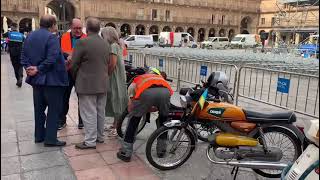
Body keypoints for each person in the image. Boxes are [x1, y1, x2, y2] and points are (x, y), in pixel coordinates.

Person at [20, 15, 68, 147]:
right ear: (52, 25)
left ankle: (39, 136)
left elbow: (23, 56)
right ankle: (51, 139)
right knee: (54, 109)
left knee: (39, 109)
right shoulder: (52, 37)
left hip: (36, 81)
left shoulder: (30, 36)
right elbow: (51, 59)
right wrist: (38, 69)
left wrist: (29, 68)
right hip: (52, 81)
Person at [117, 67, 173, 162]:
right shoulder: (160, 79)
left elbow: (131, 89)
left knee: (133, 121)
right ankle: (161, 150)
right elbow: (166, 94)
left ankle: (125, 152)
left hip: (146, 93)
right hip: (165, 92)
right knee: (163, 121)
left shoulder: (139, 78)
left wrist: (131, 101)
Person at [71, 17, 110, 149]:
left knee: (89, 113)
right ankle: (100, 137)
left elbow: (74, 64)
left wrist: (76, 77)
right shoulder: (106, 43)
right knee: (100, 111)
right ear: (99, 29)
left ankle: (90, 141)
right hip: (103, 83)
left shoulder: (82, 42)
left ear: (86, 29)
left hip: (86, 83)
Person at [59, 18, 87, 130]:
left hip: (80, 72)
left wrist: (74, 56)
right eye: (75, 28)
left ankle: (82, 121)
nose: (78, 30)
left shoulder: (86, 38)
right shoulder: (64, 37)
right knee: (64, 97)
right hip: (66, 72)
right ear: (71, 27)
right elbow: (59, 50)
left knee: (82, 97)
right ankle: (62, 121)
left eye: (80, 28)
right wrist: (67, 56)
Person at [100, 27, 128, 137]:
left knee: (116, 100)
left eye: (103, 36)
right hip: (118, 76)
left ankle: (117, 127)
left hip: (115, 77)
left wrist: (106, 74)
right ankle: (115, 124)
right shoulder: (117, 45)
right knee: (116, 99)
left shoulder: (113, 46)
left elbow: (112, 64)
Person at [6, 23, 25, 87]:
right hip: (20, 53)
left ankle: (18, 79)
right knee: (20, 66)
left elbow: (4, 36)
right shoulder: (22, 35)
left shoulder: (9, 34)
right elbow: (25, 42)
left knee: (15, 67)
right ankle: (20, 77)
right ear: (17, 27)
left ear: (12, 27)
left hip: (13, 53)